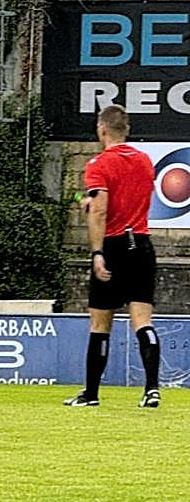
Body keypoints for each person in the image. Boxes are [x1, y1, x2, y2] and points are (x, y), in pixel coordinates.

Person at [66, 105, 161, 408]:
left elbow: (100, 208)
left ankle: (91, 393)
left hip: (115, 245)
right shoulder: (145, 161)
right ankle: (151, 389)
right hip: (143, 244)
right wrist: (85, 198)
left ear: (102, 129)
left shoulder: (99, 164)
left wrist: (96, 252)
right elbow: (111, 197)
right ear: (127, 130)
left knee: (100, 324)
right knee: (143, 322)